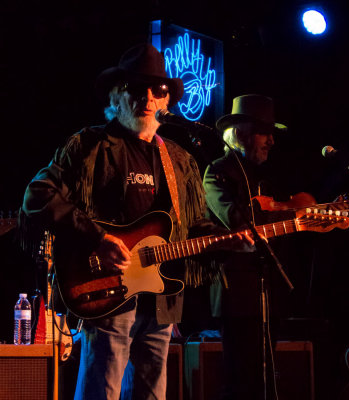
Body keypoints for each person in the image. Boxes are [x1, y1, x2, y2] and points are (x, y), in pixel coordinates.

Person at [20, 43, 253, 400]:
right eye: (135, 87)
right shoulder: (90, 146)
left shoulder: (178, 160)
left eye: (157, 90)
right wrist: (96, 237)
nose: (147, 96)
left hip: (161, 299)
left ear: (166, 101)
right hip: (106, 290)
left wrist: (228, 239)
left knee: (151, 395)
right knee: (103, 391)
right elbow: (37, 195)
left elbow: (191, 227)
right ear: (117, 95)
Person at [202, 94, 295, 400]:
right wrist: (280, 211)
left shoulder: (264, 176)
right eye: (263, 133)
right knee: (241, 378)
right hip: (235, 291)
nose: (271, 141)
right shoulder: (216, 172)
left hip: (267, 287)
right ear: (241, 134)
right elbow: (235, 218)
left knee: (266, 376)